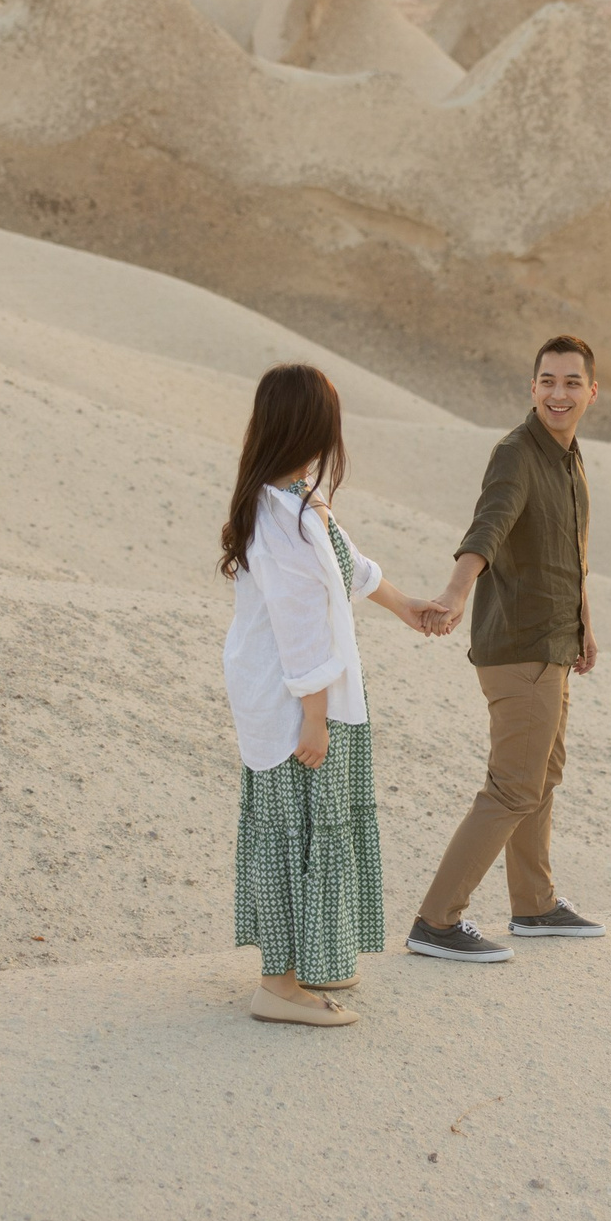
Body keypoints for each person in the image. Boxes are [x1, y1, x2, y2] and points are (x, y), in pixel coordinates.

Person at [219, 364, 443, 1026]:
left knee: (318, 827)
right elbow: (299, 622)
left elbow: (351, 564)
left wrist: (408, 607)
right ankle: (278, 985)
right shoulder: (278, 515)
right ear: (309, 427)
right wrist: (312, 719)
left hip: (316, 693)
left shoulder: (299, 498)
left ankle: (309, 960)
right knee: (298, 831)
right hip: (296, 700)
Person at [406, 336, 608, 962]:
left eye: (572, 383)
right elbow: (487, 528)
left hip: (554, 643)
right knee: (514, 786)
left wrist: (584, 626)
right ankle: (436, 922)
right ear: (532, 388)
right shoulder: (516, 455)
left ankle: (536, 906)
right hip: (518, 647)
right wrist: (456, 590)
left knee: (541, 776)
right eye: (547, 381)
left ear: (591, 393)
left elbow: (567, 554)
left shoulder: (569, 459)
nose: (559, 393)